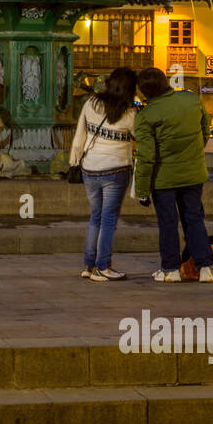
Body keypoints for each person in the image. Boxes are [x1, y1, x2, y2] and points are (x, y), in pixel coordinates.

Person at [134, 67, 213, 282]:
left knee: (168, 222)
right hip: (193, 174)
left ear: (144, 92)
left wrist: (142, 191)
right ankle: (205, 268)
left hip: (163, 179)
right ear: (165, 82)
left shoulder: (146, 116)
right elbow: (204, 131)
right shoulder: (191, 100)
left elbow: (145, 157)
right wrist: (193, 153)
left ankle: (171, 269)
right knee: (194, 219)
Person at [68, 67, 137, 281]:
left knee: (95, 217)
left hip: (90, 168)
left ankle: (88, 266)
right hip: (116, 170)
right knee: (108, 220)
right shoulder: (130, 113)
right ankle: (103, 266)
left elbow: (80, 132)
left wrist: (74, 160)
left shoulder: (91, 103)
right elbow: (139, 137)